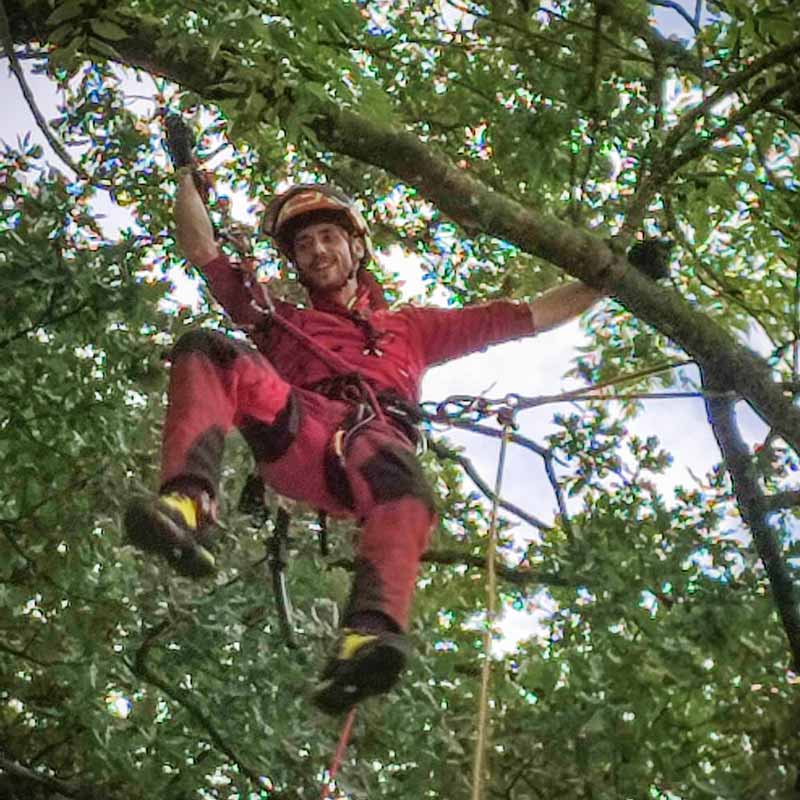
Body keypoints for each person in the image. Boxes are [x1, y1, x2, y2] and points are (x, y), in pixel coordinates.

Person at [124, 169, 606, 715]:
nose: (316, 251)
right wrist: (186, 175)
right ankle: (187, 505)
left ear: (357, 247)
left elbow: (530, 317)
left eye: (328, 237)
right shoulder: (279, 320)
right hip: (300, 428)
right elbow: (202, 249)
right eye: (303, 245)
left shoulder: (412, 328)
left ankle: (366, 638)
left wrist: (613, 277)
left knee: (405, 489)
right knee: (208, 346)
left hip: (373, 443)